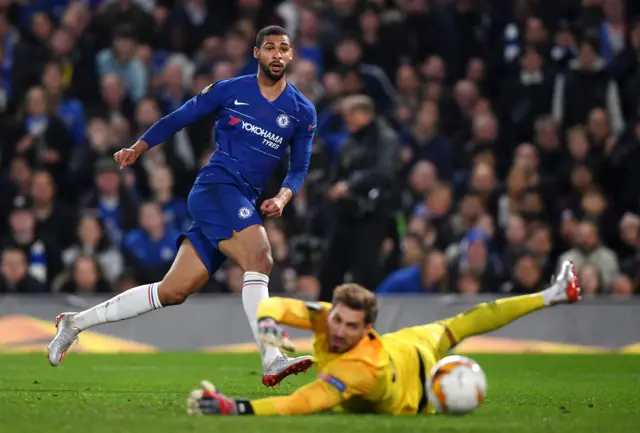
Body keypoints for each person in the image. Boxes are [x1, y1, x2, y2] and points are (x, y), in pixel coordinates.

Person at [47, 26, 318, 387]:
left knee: (172, 291)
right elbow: (179, 118)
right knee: (260, 258)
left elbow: (299, 167)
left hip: (243, 198)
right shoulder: (230, 90)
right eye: (270, 48)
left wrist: (283, 197)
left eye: (284, 48)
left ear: (291, 55)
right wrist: (139, 147)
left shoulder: (302, 110)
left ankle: (74, 323)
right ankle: (271, 358)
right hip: (216, 187)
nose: (277, 55)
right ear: (257, 53)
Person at [187, 261, 582, 416]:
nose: (339, 330)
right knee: (465, 323)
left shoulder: (361, 368)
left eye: (350, 327)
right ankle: (555, 294)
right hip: (409, 342)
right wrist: (269, 326)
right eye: (338, 320)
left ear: (366, 330)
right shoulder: (330, 318)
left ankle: (551, 295)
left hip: (416, 385)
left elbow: (305, 401)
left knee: (466, 323)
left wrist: (237, 408)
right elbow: (279, 306)